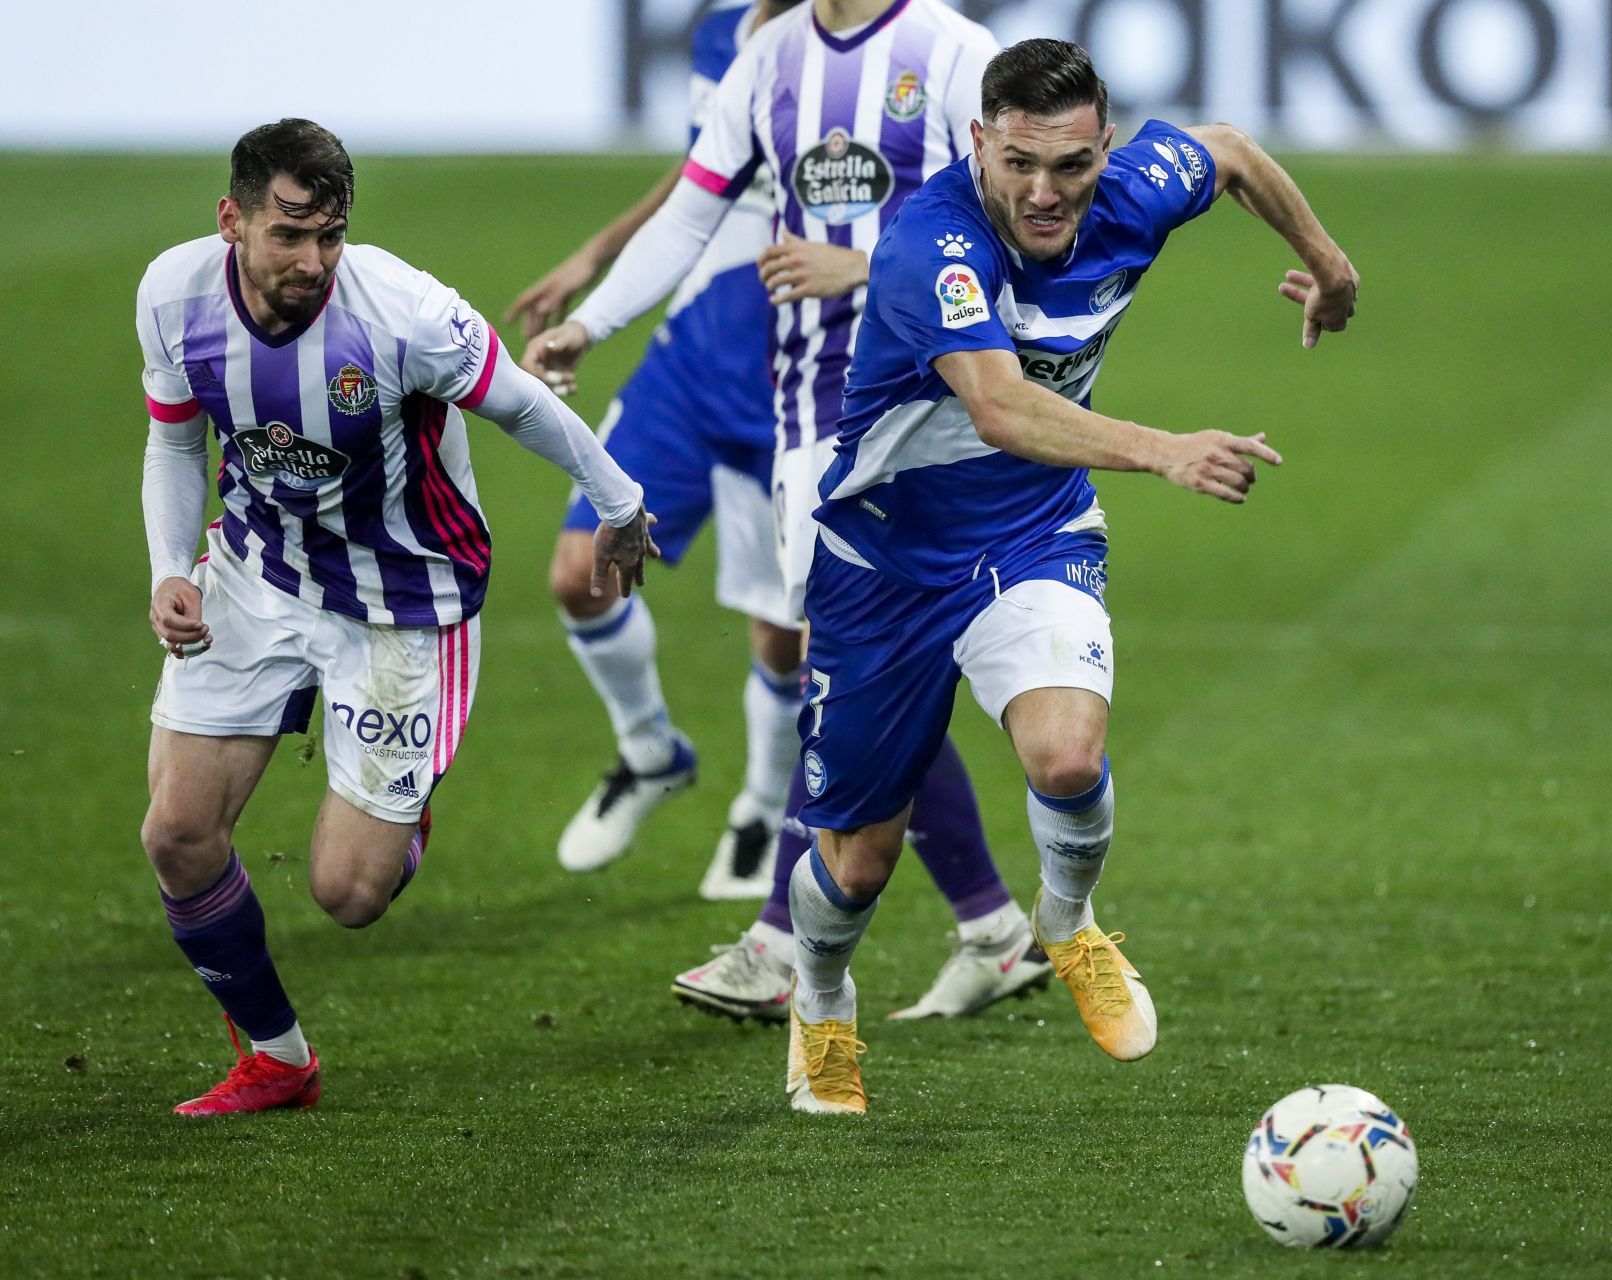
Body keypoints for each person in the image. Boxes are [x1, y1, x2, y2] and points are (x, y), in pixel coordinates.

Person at [779, 38, 1360, 1112]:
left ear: (1106, 150)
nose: (1046, 193)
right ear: (979, 144)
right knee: (857, 864)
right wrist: (1165, 448)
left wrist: (1331, 267)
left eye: (1073, 166)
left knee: (1064, 749)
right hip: (884, 562)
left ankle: (1067, 919)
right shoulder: (931, 244)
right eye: (1020, 165)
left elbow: (1228, 151)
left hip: (1032, 532)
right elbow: (1000, 406)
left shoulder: (1136, 192)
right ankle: (820, 1000)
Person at [525, 0, 1052, 1024]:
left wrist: (864, 267)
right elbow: (689, 209)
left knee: (849, 665)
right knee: (860, 671)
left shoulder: (949, 51)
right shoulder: (765, 59)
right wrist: (591, 319)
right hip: (811, 417)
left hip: (926, 406)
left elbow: (1027, 219)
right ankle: (989, 928)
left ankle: (783, 941)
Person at [138, 119, 654, 1115]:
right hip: (256, 566)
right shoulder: (173, 293)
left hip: (403, 595)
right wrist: (172, 567)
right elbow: (174, 444)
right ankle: (280, 1056)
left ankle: (402, 800)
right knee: (179, 833)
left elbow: (526, 406)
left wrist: (620, 503)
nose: (311, 260)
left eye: (329, 234)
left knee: (349, 894)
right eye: (288, 233)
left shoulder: (402, 312)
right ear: (231, 220)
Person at [508, 0, 804, 897]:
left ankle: (760, 806)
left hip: (793, 386)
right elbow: (698, 178)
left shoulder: (869, 48)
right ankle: (650, 752)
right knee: (577, 572)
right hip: (688, 365)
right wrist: (595, 257)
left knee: (784, 634)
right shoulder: (718, 33)